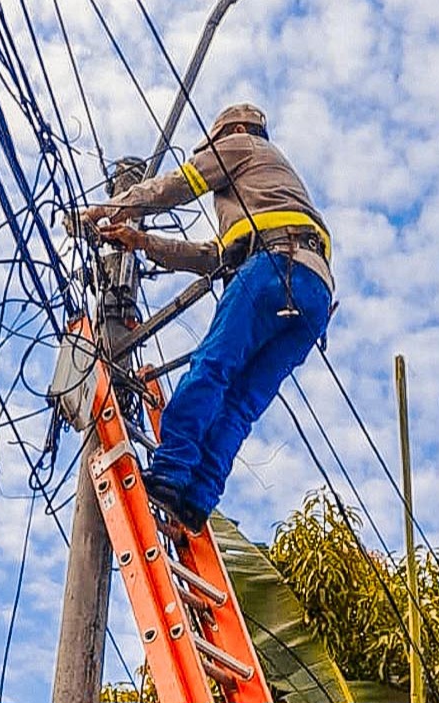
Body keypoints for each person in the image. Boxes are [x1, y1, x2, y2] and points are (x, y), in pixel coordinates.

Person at [80, 103, 334, 532]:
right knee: (240, 404)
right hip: (314, 295)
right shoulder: (270, 188)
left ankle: (169, 474)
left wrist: (112, 207)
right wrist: (140, 241)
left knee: (212, 368)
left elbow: (179, 184)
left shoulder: (241, 145)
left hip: (275, 267)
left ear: (233, 129)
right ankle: (197, 500)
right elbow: (212, 257)